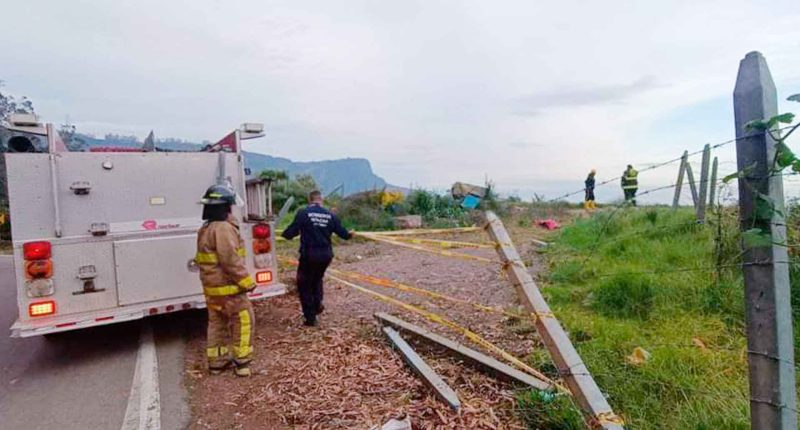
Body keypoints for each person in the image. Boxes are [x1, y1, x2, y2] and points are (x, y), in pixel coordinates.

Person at [195, 184, 257, 377]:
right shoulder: (223, 228)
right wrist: (246, 282)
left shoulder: (205, 228)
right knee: (244, 320)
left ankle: (217, 362)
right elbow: (230, 259)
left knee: (217, 324)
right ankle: (242, 362)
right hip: (229, 289)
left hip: (213, 289)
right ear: (225, 207)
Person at [282, 190, 352, 326]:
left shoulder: (303, 213)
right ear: (321, 200)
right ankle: (317, 303)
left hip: (309, 255)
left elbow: (290, 232)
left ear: (310, 200)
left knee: (304, 284)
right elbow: (344, 234)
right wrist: (350, 235)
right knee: (317, 279)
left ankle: (310, 318)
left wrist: (285, 235)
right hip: (326, 255)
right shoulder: (330, 215)